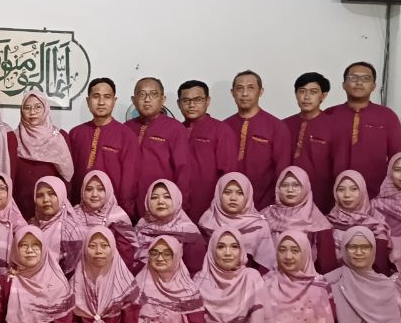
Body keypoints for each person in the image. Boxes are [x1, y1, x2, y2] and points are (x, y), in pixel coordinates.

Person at [325, 62, 401, 197]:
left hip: (376, 194)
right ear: (344, 84)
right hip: (335, 193)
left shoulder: (387, 116)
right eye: (353, 78)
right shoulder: (329, 114)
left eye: (366, 78)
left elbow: (397, 157)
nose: (359, 83)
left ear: (373, 86)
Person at [65, 79, 138, 214]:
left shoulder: (126, 135)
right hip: (79, 210)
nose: (101, 102)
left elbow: (129, 179)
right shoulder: (76, 133)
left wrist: (123, 212)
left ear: (114, 101)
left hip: (113, 211)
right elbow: (69, 175)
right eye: (96, 96)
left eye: (107, 97)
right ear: (88, 101)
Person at [222, 71, 292, 211]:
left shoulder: (276, 127)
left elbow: (282, 170)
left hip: (265, 206)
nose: (245, 93)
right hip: (229, 205)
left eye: (251, 88)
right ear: (232, 92)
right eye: (239, 88)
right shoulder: (224, 127)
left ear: (261, 91)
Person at [124, 77, 193, 220]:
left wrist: (179, 205)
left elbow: (183, 170)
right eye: (142, 94)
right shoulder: (126, 128)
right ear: (133, 100)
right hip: (128, 205)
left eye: (153, 94)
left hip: (162, 205)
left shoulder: (175, 128)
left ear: (163, 99)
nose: (147, 99)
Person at [176, 80, 239, 220]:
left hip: (209, 204)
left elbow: (228, 173)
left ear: (208, 101)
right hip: (176, 203)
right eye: (186, 100)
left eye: (198, 99)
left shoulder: (221, 130)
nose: (192, 105)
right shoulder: (176, 130)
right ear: (179, 103)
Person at [261, 166, 338, 273]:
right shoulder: (265, 217)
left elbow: (327, 267)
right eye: (284, 185)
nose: (290, 190)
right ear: (278, 188)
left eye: (296, 185)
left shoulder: (318, 222)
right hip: (269, 279)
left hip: (308, 279)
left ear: (306, 187)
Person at [284, 72, 341, 212]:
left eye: (313, 92)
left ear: (323, 95)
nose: (307, 97)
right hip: (287, 194)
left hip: (321, 196)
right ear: (296, 94)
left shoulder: (334, 126)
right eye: (302, 91)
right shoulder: (283, 125)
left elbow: (339, 165)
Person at [198, 173, 277, 273]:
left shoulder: (259, 225)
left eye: (240, 193)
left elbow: (266, 266)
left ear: (248, 196)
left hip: (250, 279)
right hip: (212, 277)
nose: (233, 198)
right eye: (227, 192)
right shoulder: (207, 223)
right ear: (218, 194)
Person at [13, 90, 73, 221]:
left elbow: (66, 178)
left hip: (51, 208)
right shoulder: (13, 137)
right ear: (21, 110)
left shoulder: (60, 137)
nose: (32, 112)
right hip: (20, 209)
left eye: (37, 107)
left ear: (45, 109)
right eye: (27, 108)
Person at [134, 180, 205, 274]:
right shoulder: (141, 226)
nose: (160, 201)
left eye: (167, 197)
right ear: (147, 202)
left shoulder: (189, 233)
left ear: (176, 200)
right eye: (154, 197)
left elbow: (194, 271)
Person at [326, 170, 392, 274]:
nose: (347, 195)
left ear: (362, 191)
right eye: (341, 189)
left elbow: (380, 269)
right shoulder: (325, 224)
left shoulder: (377, 228)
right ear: (335, 192)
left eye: (354, 189)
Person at [77, 170, 138, 270]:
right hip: (77, 270)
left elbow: (126, 253)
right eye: (89, 189)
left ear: (108, 191)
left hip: (110, 270)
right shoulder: (74, 214)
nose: (94, 194)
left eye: (100, 189)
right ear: (83, 191)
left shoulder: (117, 215)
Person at [30, 176, 84, 274]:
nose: (46, 199)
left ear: (61, 196)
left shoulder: (72, 228)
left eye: (52, 194)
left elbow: (72, 269)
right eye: (40, 195)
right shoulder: (31, 225)